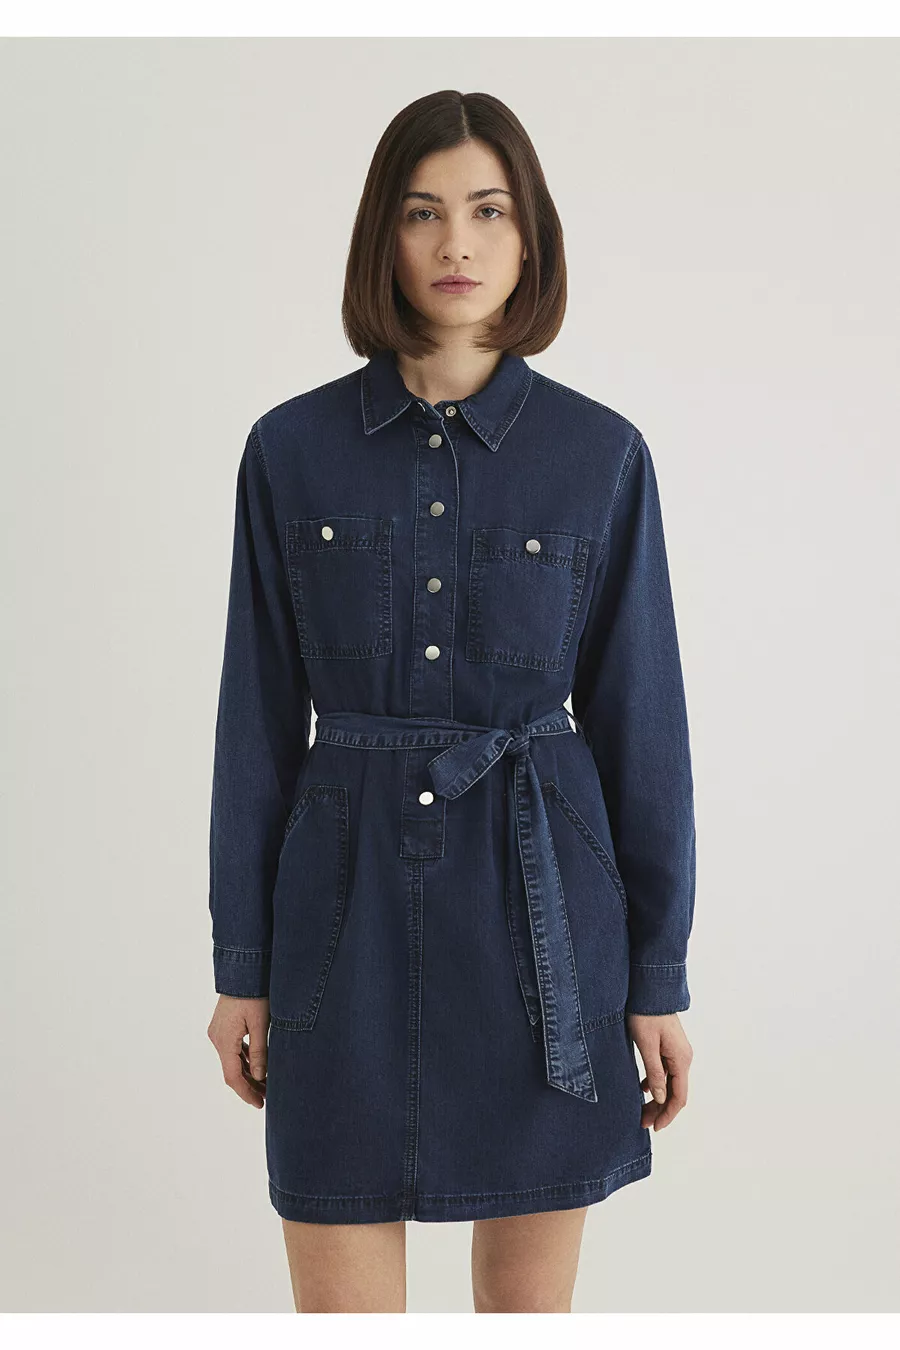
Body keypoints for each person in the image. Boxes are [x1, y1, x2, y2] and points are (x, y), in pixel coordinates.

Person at [206, 89, 696, 1314]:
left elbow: (643, 728)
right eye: (423, 213)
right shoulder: (289, 451)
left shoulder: (601, 456)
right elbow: (253, 723)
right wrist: (240, 965)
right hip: (340, 928)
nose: (457, 245)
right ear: (384, 235)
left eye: (489, 212)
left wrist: (659, 975)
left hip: (544, 934)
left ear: (531, 239)